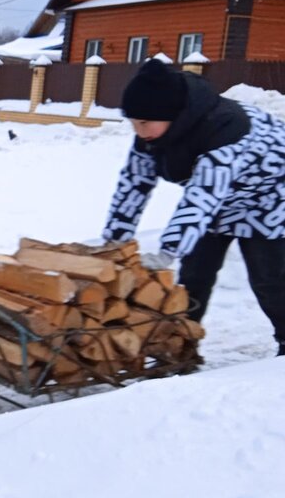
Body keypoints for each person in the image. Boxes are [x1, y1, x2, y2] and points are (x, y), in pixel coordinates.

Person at [102, 58, 285, 358]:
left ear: (170, 114)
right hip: (222, 200)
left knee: (270, 279)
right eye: (133, 123)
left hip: (269, 196)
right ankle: (182, 348)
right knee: (195, 275)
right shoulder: (151, 133)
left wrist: (167, 251)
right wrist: (114, 243)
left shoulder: (226, 128)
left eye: (144, 122)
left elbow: (202, 196)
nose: (138, 131)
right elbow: (133, 185)